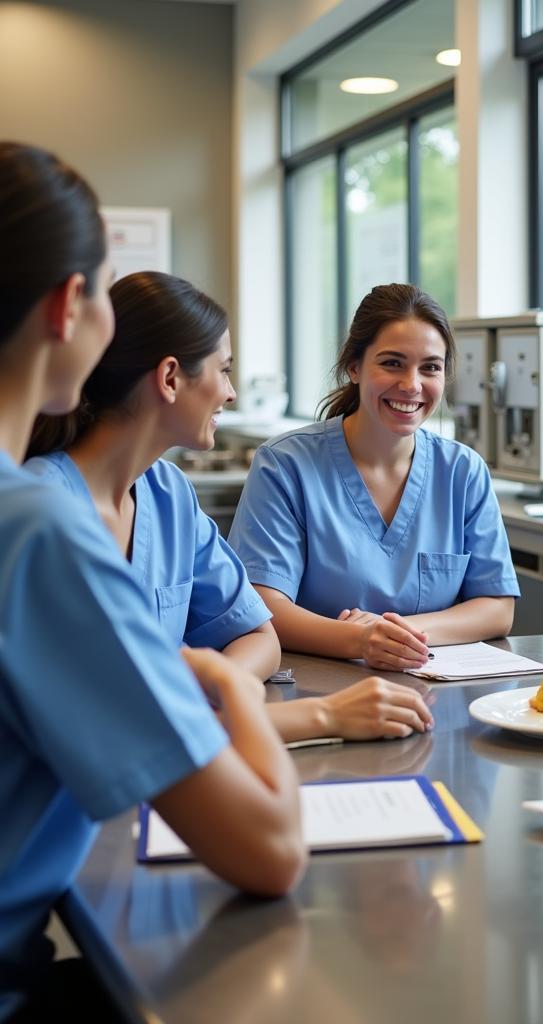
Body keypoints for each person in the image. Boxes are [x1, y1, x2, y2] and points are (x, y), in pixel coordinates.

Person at [0, 143, 303, 1021]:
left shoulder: (98, 503)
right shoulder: (35, 526)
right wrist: (211, 679)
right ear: (68, 307)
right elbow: (272, 849)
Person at [25, 271, 434, 743]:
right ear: (171, 378)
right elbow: (105, 719)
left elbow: (261, 637)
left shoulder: (168, 493)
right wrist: (314, 716)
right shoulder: (41, 511)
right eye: (223, 370)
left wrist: (222, 687)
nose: (231, 392)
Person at [228, 283, 520, 671]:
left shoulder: (462, 472)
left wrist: (394, 634)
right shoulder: (285, 465)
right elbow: (263, 604)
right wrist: (358, 641)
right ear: (354, 367)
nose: (412, 385)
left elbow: (497, 608)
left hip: (434, 687)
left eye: (430, 367)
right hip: (319, 689)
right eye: (392, 363)